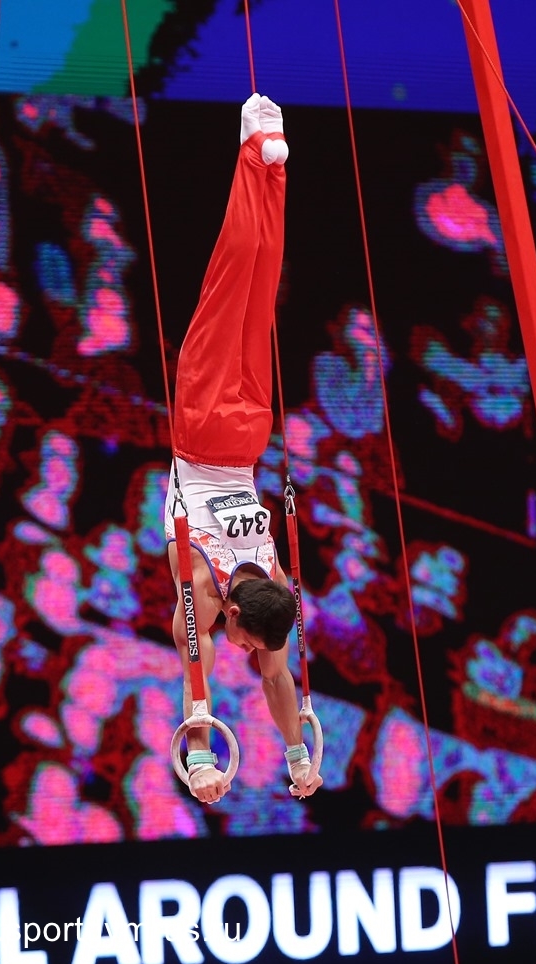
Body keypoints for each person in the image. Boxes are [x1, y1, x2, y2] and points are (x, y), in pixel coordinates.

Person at [165, 94, 323, 805]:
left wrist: (298, 757)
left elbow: (278, 674)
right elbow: (196, 669)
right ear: (236, 615)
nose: (255, 656)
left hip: (246, 433)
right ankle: (253, 152)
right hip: (206, 430)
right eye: (252, 645)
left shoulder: (273, 591)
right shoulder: (205, 589)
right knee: (236, 280)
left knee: (260, 284)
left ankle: (270, 155)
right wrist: (200, 758)